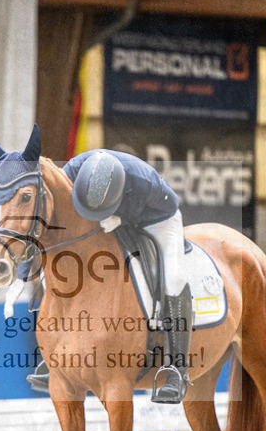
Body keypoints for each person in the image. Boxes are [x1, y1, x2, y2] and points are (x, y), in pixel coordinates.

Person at [65, 149, 192, 404]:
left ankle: (177, 369)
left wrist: (121, 217)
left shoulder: (143, 182)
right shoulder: (73, 169)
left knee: (174, 278)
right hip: (105, 217)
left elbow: (171, 206)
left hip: (157, 220)